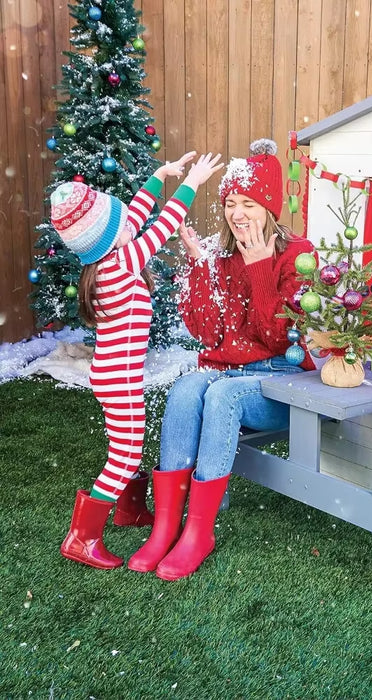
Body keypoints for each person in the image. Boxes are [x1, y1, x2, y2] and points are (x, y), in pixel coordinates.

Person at [128, 139, 316, 581]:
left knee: (223, 394)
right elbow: (206, 334)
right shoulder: (219, 253)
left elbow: (277, 338)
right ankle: (165, 525)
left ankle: (198, 531)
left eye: (248, 202)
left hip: (280, 380)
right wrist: (200, 268)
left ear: (268, 206)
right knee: (187, 386)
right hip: (228, 371)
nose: (237, 213)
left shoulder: (297, 254)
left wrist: (260, 268)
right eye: (231, 202)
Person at [54, 151, 225, 569]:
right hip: (118, 380)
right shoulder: (121, 263)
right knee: (126, 455)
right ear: (108, 238)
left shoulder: (103, 259)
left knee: (127, 443)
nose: (128, 225)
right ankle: (82, 537)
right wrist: (192, 182)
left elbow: (133, 217)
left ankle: (129, 510)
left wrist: (159, 176)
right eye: (119, 226)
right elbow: (163, 226)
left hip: (114, 376)